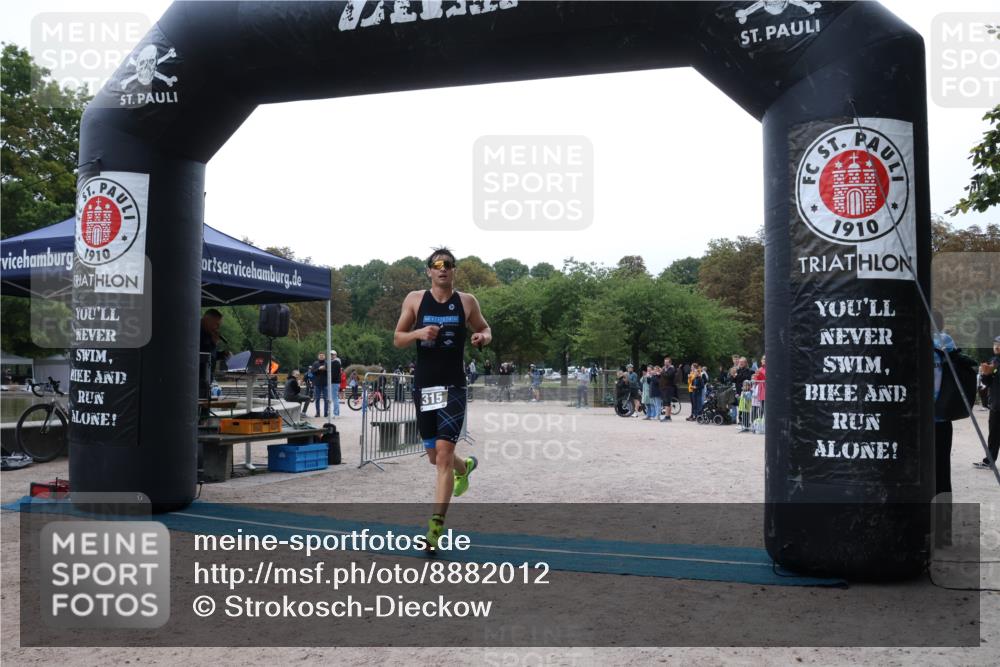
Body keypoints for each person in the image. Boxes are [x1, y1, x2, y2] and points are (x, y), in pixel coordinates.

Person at [393, 247, 492, 549]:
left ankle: (435, 528)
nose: (443, 269)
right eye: (437, 265)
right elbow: (398, 338)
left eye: (448, 264)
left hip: (453, 386)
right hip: (425, 387)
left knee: (444, 456)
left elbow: (485, 328)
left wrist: (482, 337)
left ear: (453, 270)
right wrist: (418, 333)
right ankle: (466, 468)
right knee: (435, 456)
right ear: (429, 271)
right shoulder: (414, 299)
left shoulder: (466, 302)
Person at [974, 335, 1000, 470]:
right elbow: (987, 383)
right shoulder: (993, 360)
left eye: (999, 344)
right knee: (994, 434)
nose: (996, 346)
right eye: (995, 343)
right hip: (996, 403)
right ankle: (989, 461)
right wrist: (986, 374)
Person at [309, 351, 329, 418]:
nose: (321, 357)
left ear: (325, 356)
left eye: (322, 355)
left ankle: (326, 413)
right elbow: (312, 372)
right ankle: (317, 413)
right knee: (317, 399)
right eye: (320, 355)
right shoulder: (315, 363)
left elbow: (330, 372)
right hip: (317, 384)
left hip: (325, 384)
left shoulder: (327, 363)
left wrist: (325, 369)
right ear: (318, 356)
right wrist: (319, 369)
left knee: (326, 399)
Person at [329, 350, 342, 418]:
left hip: (334, 382)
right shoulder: (333, 362)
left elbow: (334, 374)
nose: (331, 356)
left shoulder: (336, 362)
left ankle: (336, 414)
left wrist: (329, 380)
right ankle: (336, 413)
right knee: (334, 398)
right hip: (334, 382)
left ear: (335, 355)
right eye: (331, 354)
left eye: (333, 354)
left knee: (335, 398)